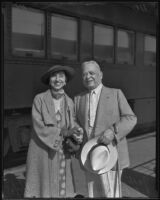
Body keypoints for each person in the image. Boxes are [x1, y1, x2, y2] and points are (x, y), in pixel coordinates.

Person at [74, 60, 137, 197]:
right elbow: (75, 121)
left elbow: (130, 118)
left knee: (111, 194)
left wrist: (113, 132)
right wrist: (77, 130)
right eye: (84, 74)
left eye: (92, 73)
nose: (88, 77)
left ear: (101, 75)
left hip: (110, 154)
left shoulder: (116, 94)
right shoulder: (78, 98)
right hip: (89, 155)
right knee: (93, 193)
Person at [24, 65, 84, 198]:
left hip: (61, 150)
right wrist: (62, 133)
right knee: (44, 185)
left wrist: (77, 131)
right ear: (49, 80)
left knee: (62, 182)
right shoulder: (39, 99)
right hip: (42, 148)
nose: (58, 79)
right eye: (54, 76)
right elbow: (38, 125)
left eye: (61, 76)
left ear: (66, 81)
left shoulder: (69, 101)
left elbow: (72, 122)